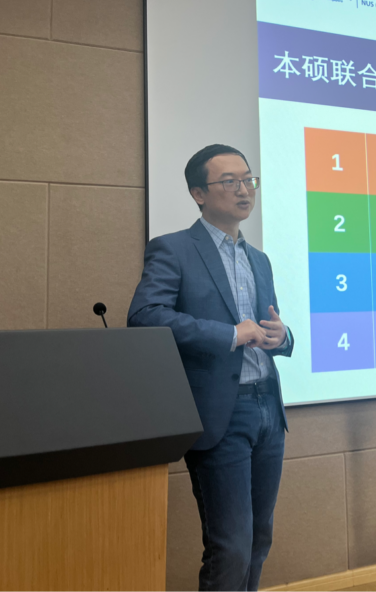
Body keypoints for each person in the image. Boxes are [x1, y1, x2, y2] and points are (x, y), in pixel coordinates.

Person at [128, 144, 293, 592]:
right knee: (231, 546)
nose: (244, 190)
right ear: (198, 194)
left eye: (248, 179)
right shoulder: (174, 249)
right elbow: (145, 315)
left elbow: (268, 327)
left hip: (268, 409)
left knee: (259, 539)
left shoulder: (259, 259)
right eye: (230, 182)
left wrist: (283, 337)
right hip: (222, 412)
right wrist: (229, 334)